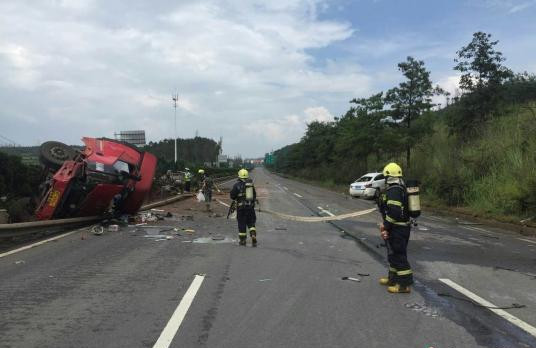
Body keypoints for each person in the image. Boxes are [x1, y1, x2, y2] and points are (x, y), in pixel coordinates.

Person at [377, 162, 413, 293]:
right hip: (398, 227)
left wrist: (385, 226)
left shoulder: (394, 190)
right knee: (393, 254)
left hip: (398, 229)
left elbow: (395, 212)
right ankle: (392, 279)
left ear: (388, 176)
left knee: (399, 255)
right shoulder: (399, 188)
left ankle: (404, 285)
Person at [230, 168, 257, 246]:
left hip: (241, 208)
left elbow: (232, 196)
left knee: (242, 223)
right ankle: (253, 235)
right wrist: (252, 203)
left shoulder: (236, 185)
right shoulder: (250, 185)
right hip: (250, 208)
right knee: (251, 222)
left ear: (239, 176)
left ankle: (243, 240)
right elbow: (254, 195)